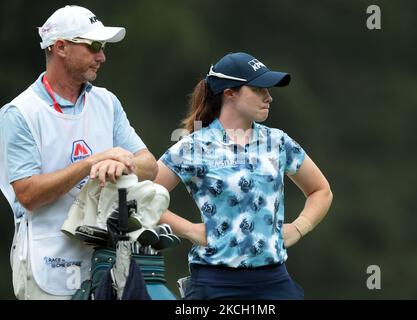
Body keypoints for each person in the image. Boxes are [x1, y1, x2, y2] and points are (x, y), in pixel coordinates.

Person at [0, 5, 158, 300]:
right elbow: (28, 194)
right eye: (94, 46)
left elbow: (149, 166)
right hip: (48, 260)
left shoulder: (106, 102)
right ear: (60, 47)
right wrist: (91, 164)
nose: (102, 56)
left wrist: (121, 164)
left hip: (107, 260)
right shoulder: (19, 112)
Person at [154, 52, 333, 299]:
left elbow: (320, 191)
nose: (268, 97)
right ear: (230, 93)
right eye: (259, 89)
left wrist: (300, 227)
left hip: (275, 280)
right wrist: (190, 230)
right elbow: (144, 198)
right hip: (215, 282)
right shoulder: (194, 146)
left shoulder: (277, 141)